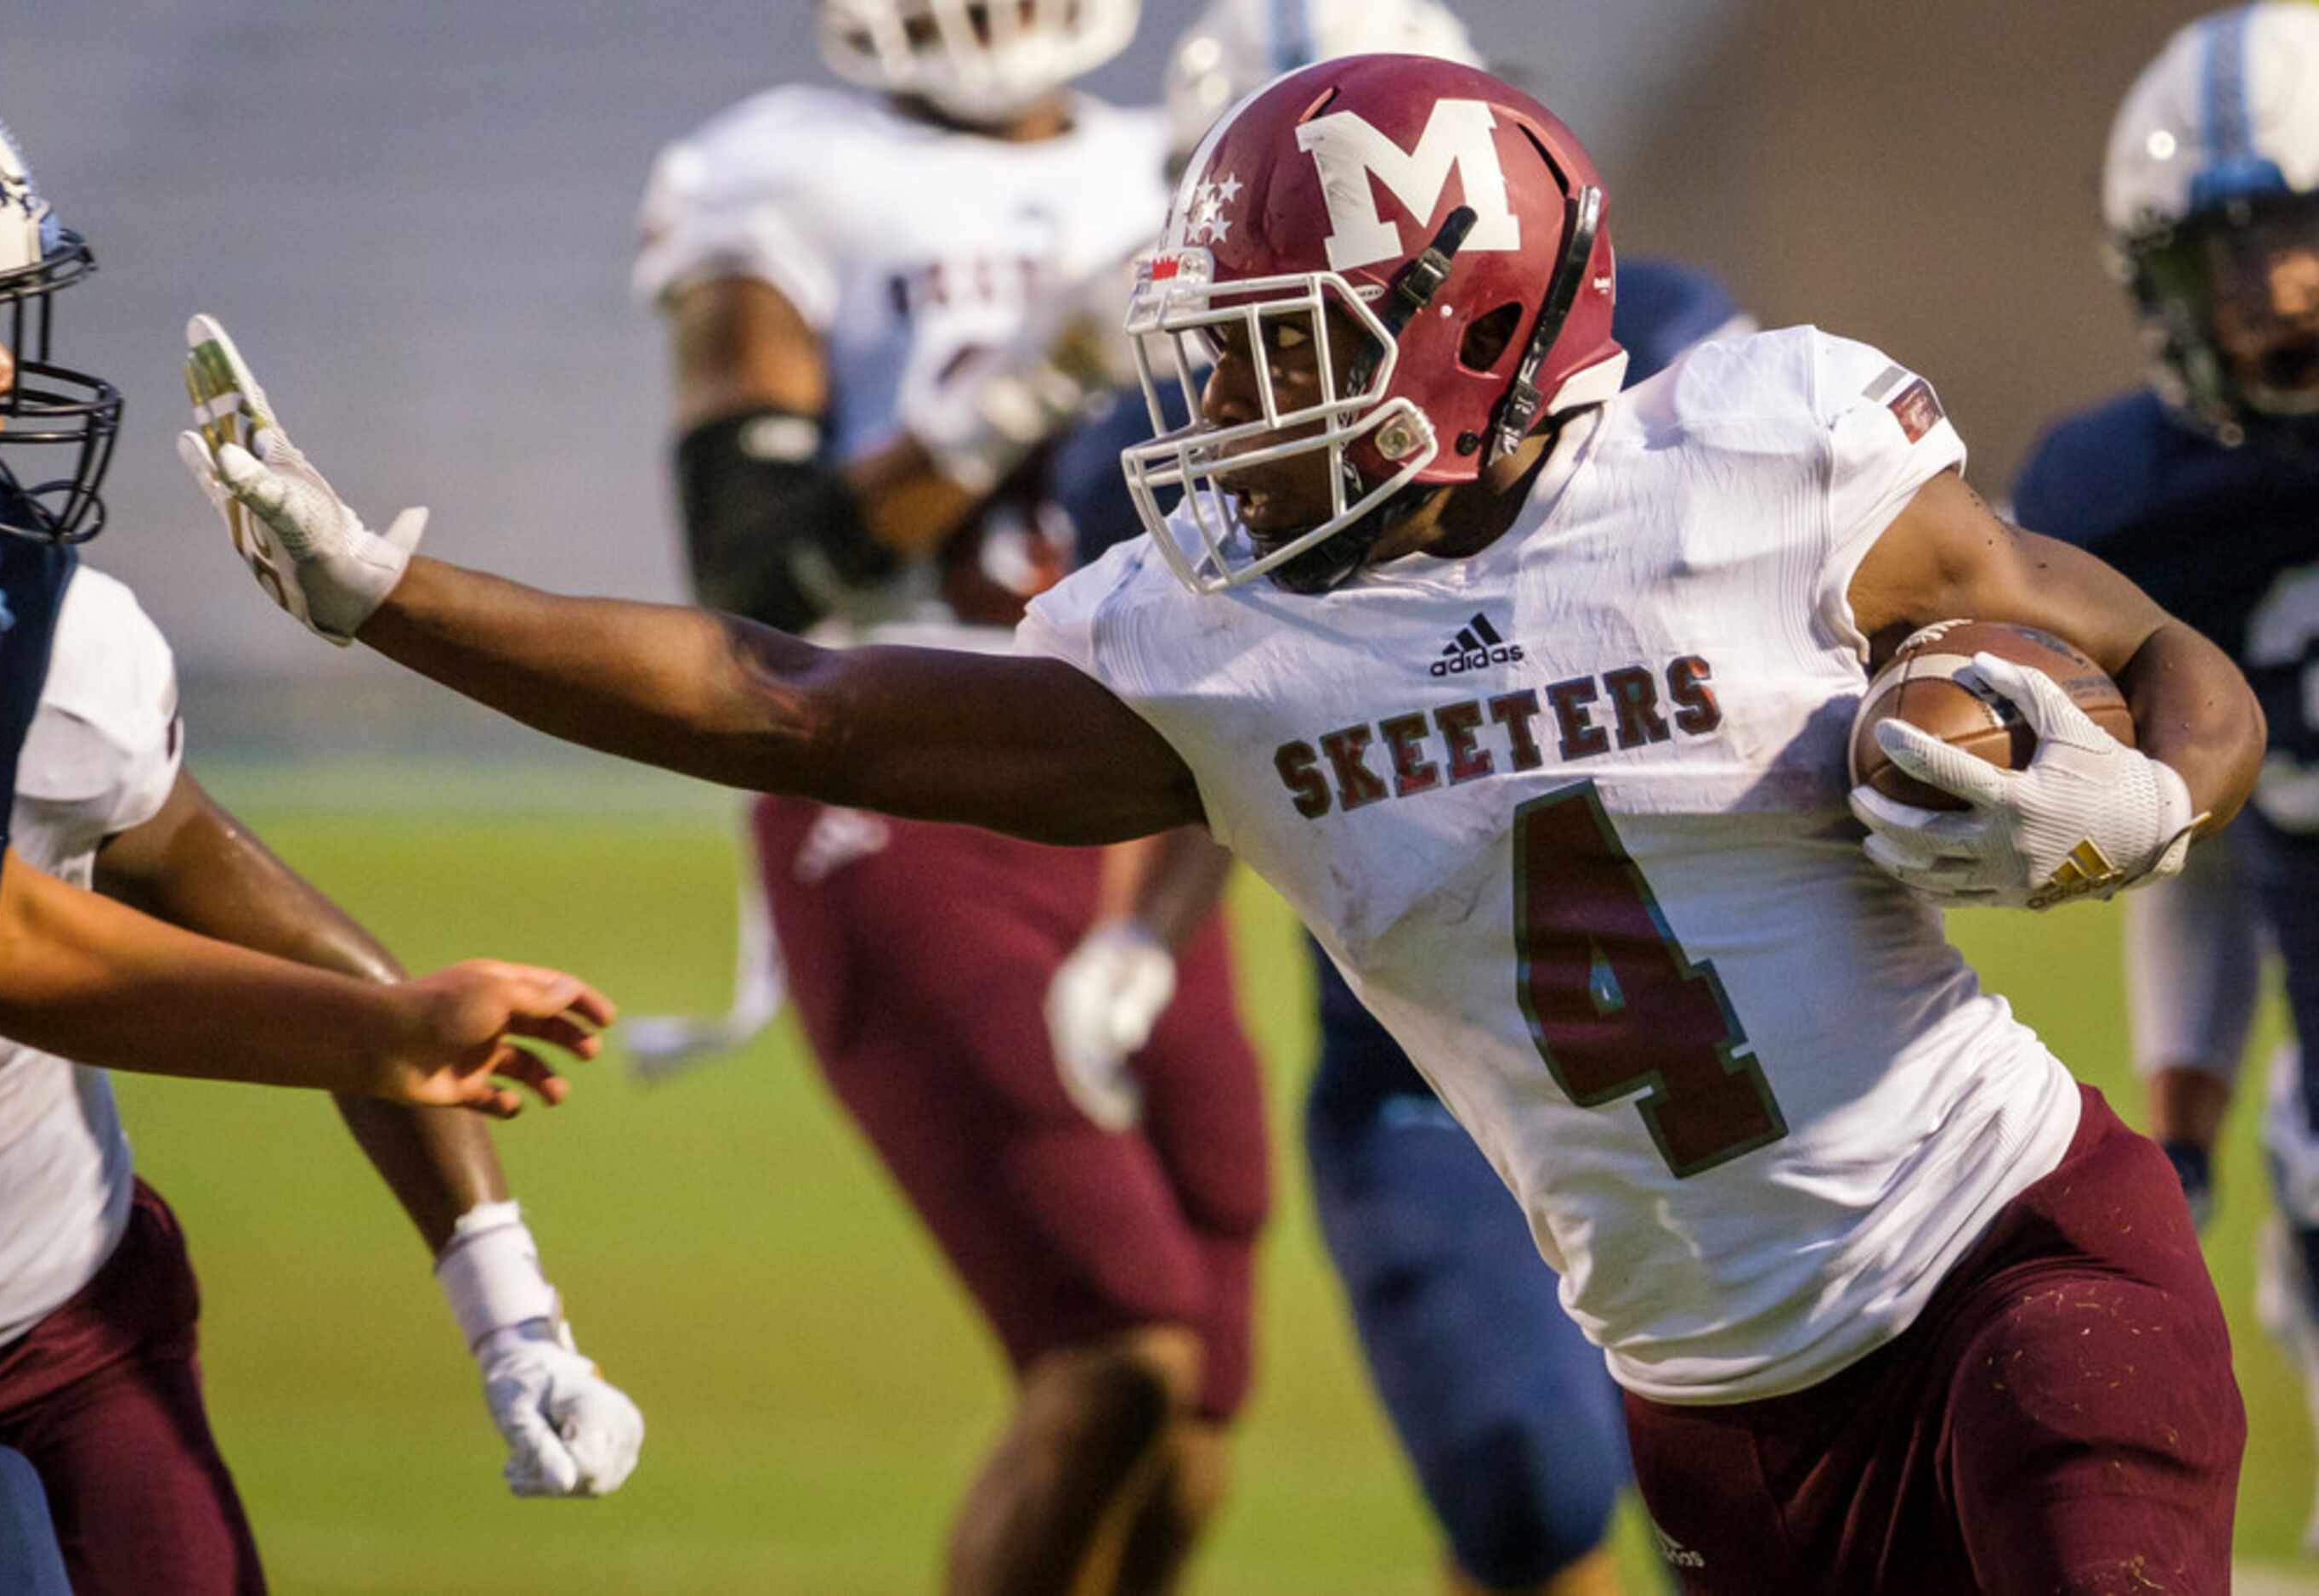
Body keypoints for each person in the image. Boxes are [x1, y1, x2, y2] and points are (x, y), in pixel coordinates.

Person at [185, 51, 2258, 1594]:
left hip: (2016, 1272)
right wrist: (391, 599)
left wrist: (2143, 791)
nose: (1224, 433)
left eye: (1288, 362)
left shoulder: (1760, 457)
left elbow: (2163, 651)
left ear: (1469, 330)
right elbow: (788, 700)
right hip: (1710, 1407)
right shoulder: (1214, 643)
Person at [1041, 7, 1751, 1593]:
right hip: (1434, 1063)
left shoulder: (1695, 376)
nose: (1230, 364)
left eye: (1293, 270)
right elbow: (1204, 713)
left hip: (1727, 1045)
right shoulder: (1160, 445)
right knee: (1528, 1490)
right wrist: (1141, 931)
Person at [0, 61, 622, 1594]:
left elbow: (283, 932)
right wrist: (375, 1033)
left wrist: (513, 1310)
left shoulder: (48, 645)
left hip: (64, 1301)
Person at [628, 3, 1268, 1590]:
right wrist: (1026, 383)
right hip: (904, 761)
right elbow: (752, 569)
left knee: (1202, 1402)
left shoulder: (1178, 156)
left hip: (1140, 766)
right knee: (1119, 1345)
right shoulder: (779, 173)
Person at [2009, 0, 2319, 1554]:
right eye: (2223, 261)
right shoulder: (2136, 506)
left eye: (2299, 242)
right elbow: (2211, 826)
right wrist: (2184, 1127)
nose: (2272, 303)